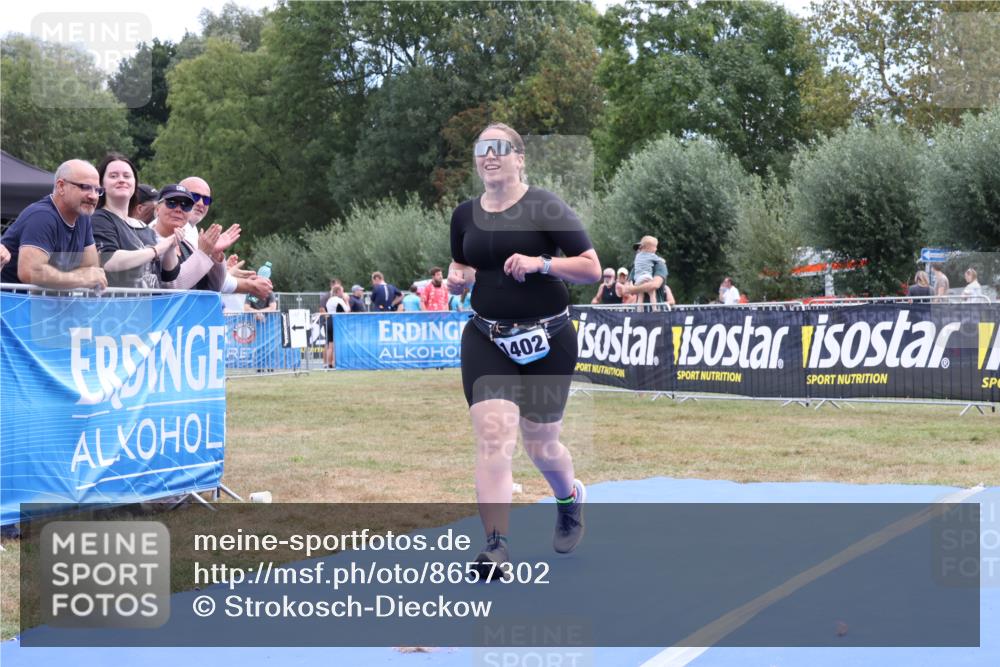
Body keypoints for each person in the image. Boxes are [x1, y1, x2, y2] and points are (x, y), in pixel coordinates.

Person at [447, 122, 601, 579]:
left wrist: (541, 263)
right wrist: (458, 277)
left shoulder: (544, 205)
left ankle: (568, 497)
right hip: (486, 336)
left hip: (548, 338)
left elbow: (592, 268)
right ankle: (496, 546)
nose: (489, 156)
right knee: (494, 437)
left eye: (500, 149)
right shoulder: (464, 215)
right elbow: (462, 262)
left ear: (519, 158)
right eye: (481, 149)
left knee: (541, 444)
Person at [0, 159, 107, 289]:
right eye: (85, 187)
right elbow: (31, 272)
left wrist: (66, 277)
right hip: (12, 304)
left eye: (97, 190)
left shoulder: (82, 217)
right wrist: (80, 278)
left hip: (43, 305)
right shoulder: (42, 216)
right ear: (61, 186)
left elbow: (91, 268)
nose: (94, 196)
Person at [91, 153, 180, 289]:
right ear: (102, 184)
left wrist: (170, 247)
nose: (121, 180)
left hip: (148, 307)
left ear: (134, 183)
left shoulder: (143, 227)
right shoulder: (99, 219)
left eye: (127, 176)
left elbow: (168, 275)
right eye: (113, 176)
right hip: (117, 306)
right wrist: (157, 250)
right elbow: (108, 260)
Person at [631, 236, 667, 304]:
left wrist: (633, 289)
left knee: (641, 295)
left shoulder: (660, 265)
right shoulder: (636, 266)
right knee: (651, 294)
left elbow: (655, 285)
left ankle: (641, 309)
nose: (639, 250)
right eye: (638, 249)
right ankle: (654, 308)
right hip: (646, 276)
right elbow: (625, 290)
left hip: (639, 279)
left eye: (640, 247)